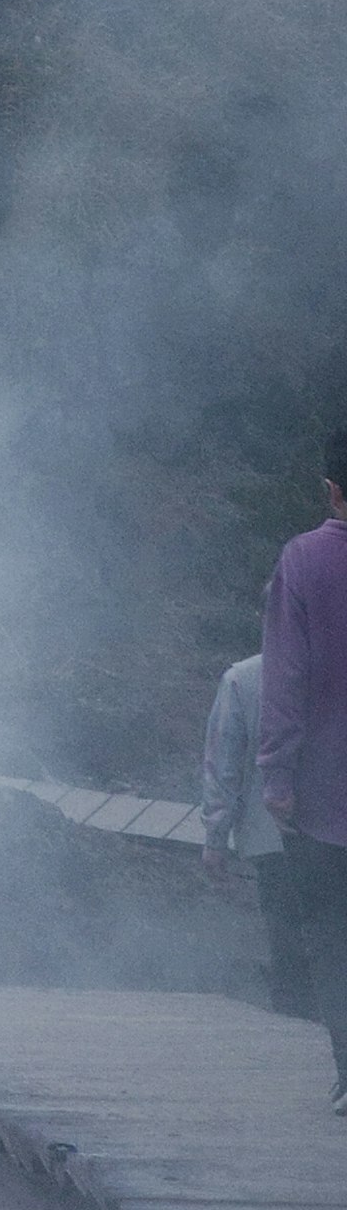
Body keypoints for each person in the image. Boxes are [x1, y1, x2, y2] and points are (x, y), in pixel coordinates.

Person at [254, 433, 347, 1106]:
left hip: (326, 793)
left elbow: (284, 677)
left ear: (330, 487)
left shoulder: (304, 561)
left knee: (333, 936)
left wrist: (276, 775)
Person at [201, 645, 314, 1014]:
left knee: (286, 934)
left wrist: (215, 837)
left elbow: (224, 763)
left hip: (271, 835)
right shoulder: (334, 672)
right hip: (331, 834)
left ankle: (293, 1016)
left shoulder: (243, 679)